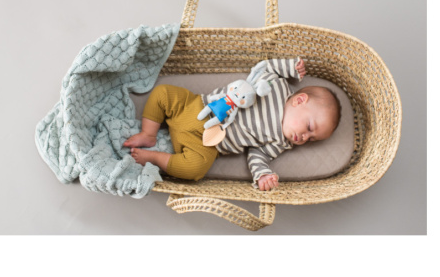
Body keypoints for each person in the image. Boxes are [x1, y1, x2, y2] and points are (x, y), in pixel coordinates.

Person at [123, 58, 341, 191]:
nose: (305, 137)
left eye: (311, 139)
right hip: (196, 106)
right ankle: (149, 133)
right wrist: (291, 67)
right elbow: (266, 66)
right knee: (163, 93)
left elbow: (258, 156)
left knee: (195, 170)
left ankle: (154, 157)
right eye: (309, 128)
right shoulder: (276, 86)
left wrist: (262, 175)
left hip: (207, 145)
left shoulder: (281, 142)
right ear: (300, 100)